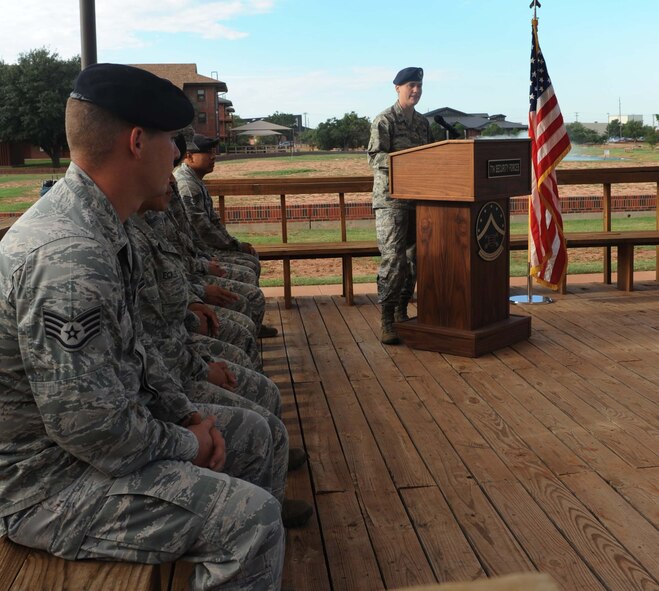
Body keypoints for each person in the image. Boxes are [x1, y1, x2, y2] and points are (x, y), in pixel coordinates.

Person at [0, 63, 285, 590]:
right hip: (45, 484)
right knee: (252, 522)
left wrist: (188, 413)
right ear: (137, 142)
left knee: (248, 434)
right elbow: (91, 429)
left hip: (90, 450)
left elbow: (136, 350)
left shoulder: (102, 225)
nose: (178, 155)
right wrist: (187, 443)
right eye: (171, 141)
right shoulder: (70, 257)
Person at [174, 132, 279, 338]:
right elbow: (202, 229)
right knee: (248, 268)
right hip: (202, 253)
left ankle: (251, 325)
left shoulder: (194, 180)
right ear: (188, 156)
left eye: (213, 152)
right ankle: (248, 326)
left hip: (202, 251)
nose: (213, 157)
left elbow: (212, 222)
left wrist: (234, 244)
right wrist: (233, 247)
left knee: (250, 259)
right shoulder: (186, 184)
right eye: (206, 152)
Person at [367, 67, 433, 345]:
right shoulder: (384, 120)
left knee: (414, 260)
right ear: (397, 88)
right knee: (393, 260)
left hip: (418, 200)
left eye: (418, 85)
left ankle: (402, 310)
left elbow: (432, 156)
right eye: (410, 85)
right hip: (391, 201)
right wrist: (405, 165)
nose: (415, 90)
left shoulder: (422, 124)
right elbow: (375, 157)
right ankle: (386, 319)